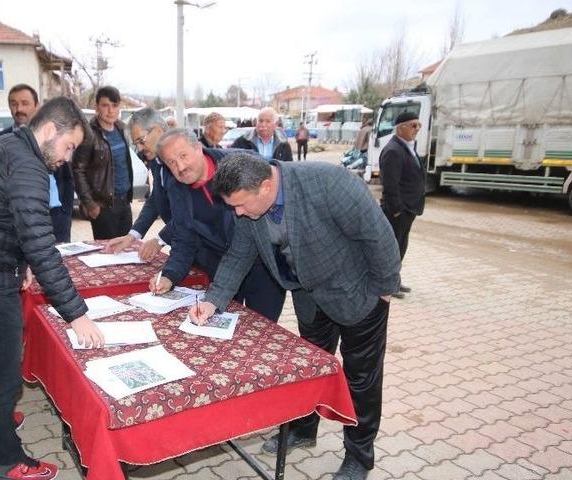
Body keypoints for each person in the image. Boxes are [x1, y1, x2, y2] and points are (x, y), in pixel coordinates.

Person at [187, 153, 401, 480]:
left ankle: (360, 456)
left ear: (267, 185)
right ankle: (303, 429)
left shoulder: (330, 182)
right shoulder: (248, 207)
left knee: (362, 379)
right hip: (309, 298)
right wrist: (213, 301)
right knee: (308, 369)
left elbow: (379, 235)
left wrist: (384, 290)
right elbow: (238, 255)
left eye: (242, 205)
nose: (238, 213)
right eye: (233, 207)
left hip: (357, 294)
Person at [0, 96, 105, 480]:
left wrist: (23, 261)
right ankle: (6, 461)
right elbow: (41, 244)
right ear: (50, 130)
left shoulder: (3, 145)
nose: (66, 158)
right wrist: (76, 313)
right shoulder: (29, 166)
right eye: (68, 147)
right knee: (2, 376)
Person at [151, 129, 286, 322]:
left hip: (262, 268)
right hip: (221, 270)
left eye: (183, 156)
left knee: (262, 330)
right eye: (171, 162)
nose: (180, 167)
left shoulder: (241, 164)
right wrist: (169, 275)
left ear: (198, 148)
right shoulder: (176, 187)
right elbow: (184, 238)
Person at [0, 84, 74, 242]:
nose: (19, 108)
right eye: (14, 103)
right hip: (19, 227)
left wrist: (65, 213)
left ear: (37, 106)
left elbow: (67, 179)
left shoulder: (55, 138)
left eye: (24, 103)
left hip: (56, 220)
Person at [104, 108, 174, 260]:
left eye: (141, 141)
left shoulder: (180, 162)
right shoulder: (156, 160)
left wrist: (160, 241)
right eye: (137, 144)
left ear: (158, 130)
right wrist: (132, 236)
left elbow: (190, 212)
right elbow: (156, 198)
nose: (141, 148)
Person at [72, 86, 134, 240]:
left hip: (124, 202)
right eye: (105, 105)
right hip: (103, 207)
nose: (110, 110)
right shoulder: (89, 134)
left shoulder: (121, 128)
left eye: (114, 105)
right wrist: (90, 205)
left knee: (126, 252)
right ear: (96, 107)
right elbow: (77, 170)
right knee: (107, 255)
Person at [379, 111, 425, 299]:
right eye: (413, 125)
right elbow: (390, 185)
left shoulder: (407, 147)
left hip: (409, 208)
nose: (417, 129)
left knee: (401, 247)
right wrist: (398, 210)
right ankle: (387, 285)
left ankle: (394, 281)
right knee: (392, 249)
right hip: (398, 210)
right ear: (401, 127)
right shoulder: (393, 150)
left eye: (419, 126)